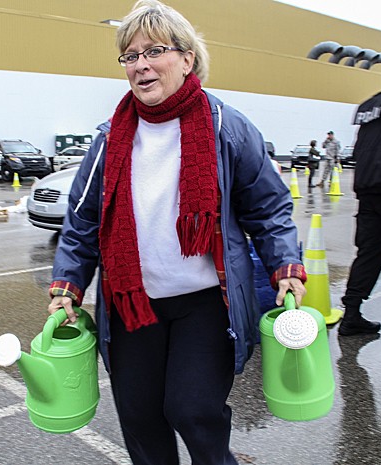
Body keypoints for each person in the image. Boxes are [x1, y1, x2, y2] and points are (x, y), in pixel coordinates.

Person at [47, 1, 307, 463]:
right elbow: (83, 219)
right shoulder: (111, 138)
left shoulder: (227, 126)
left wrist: (285, 264)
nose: (141, 65)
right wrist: (68, 283)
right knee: (141, 419)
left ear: (187, 59)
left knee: (193, 409)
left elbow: (268, 206)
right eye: (130, 55)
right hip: (132, 303)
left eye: (155, 51)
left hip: (205, 302)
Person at [339, 89, 381, 336]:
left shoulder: (372, 107)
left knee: (368, 254)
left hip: (368, 189)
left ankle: (351, 314)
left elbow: (358, 151)